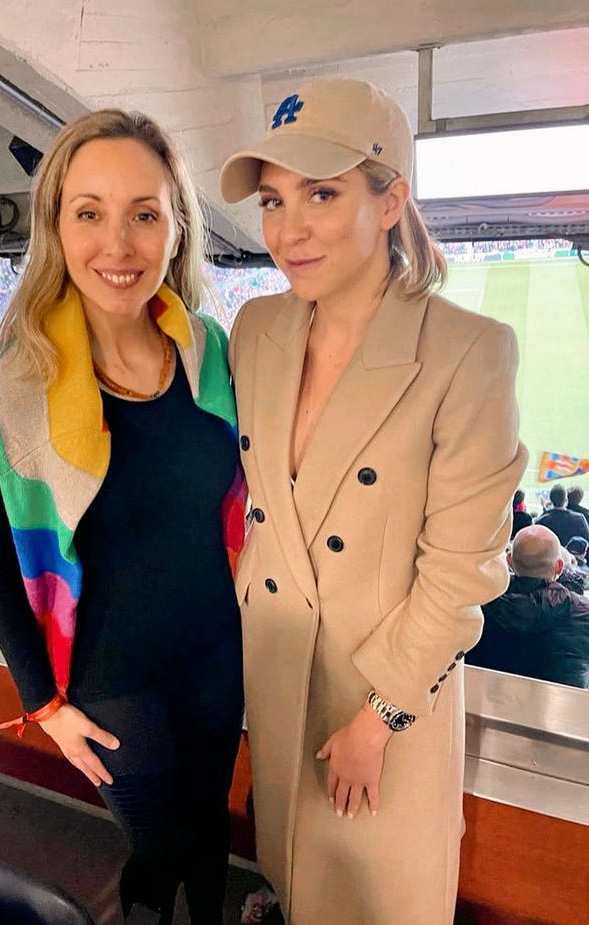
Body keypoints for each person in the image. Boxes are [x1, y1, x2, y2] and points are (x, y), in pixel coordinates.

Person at [220, 78, 527, 925]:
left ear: (391, 202)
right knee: (293, 879)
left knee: (372, 900)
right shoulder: (255, 330)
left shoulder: (469, 351)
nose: (288, 229)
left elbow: (462, 570)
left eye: (321, 193)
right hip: (275, 673)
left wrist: (378, 717)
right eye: (274, 200)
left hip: (386, 695)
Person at [0, 109, 247, 924]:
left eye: (144, 213)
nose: (118, 244)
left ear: (177, 229)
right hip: (111, 682)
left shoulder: (211, 352)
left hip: (218, 655)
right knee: (159, 846)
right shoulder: (12, 388)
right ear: (57, 227)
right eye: (89, 213)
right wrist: (43, 704)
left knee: (210, 828)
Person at [468, 526, 589, 688]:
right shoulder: (583, 614)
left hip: (475, 698)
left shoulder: (475, 603)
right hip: (562, 703)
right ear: (559, 567)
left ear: (509, 561)